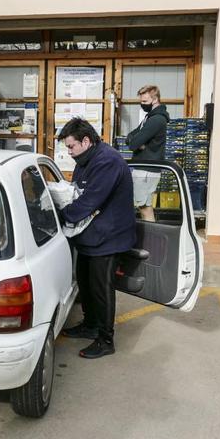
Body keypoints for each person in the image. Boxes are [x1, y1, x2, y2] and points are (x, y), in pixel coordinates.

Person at [58, 118, 137, 359]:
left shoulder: (107, 161)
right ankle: (90, 325)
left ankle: (105, 339)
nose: (69, 152)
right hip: (91, 234)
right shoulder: (85, 159)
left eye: (71, 147)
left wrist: (58, 216)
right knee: (85, 281)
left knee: (102, 288)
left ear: (86, 140)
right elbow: (76, 192)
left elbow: (89, 200)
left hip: (109, 237)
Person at [125, 85, 169, 222]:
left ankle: (150, 241)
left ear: (155, 99)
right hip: (144, 169)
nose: (142, 105)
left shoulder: (156, 120)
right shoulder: (149, 118)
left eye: (144, 102)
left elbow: (133, 144)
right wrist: (138, 142)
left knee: (145, 208)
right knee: (143, 206)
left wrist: (138, 142)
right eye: (141, 101)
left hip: (146, 170)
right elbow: (131, 136)